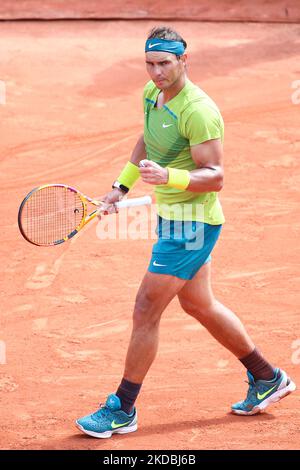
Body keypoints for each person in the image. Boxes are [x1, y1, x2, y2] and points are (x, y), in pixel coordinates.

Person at [76, 26, 296, 439]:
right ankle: (267, 377)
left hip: (192, 224)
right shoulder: (150, 94)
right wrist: (120, 186)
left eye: (165, 63)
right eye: (150, 63)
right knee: (199, 304)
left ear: (183, 61)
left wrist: (168, 176)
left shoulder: (198, 110)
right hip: (172, 216)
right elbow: (148, 138)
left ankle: (122, 408)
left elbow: (215, 177)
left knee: (145, 308)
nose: (157, 72)